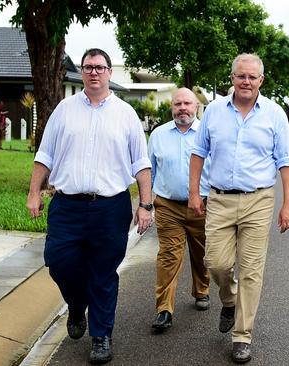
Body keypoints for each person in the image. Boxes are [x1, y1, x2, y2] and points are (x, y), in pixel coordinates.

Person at [26, 48, 153, 365]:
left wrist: (146, 205)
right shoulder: (64, 110)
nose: (93, 72)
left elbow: (141, 163)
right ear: (81, 73)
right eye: (88, 67)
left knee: (103, 273)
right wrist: (33, 192)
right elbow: (45, 156)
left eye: (99, 67)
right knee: (58, 261)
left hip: (110, 208)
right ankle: (76, 303)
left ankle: (101, 336)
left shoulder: (125, 114)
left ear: (110, 72)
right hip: (67, 206)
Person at [189, 53, 289, 364]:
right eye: (241, 76)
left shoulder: (275, 114)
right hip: (220, 198)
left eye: (252, 77)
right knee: (216, 263)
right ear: (232, 78)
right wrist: (194, 191)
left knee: (251, 271)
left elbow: (286, 160)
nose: (246, 81)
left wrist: (288, 203)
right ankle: (228, 299)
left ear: (261, 80)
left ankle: (242, 335)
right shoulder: (213, 111)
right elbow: (198, 152)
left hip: (258, 200)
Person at [147, 87, 211, 332]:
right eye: (177, 104)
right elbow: (149, 171)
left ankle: (202, 289)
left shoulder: (207, 134)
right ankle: (164, 309)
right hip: (168, 207)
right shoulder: (159, 134)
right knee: (169, 256)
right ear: (172, 107)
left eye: (187, 103)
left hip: (203, 207)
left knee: (203, 254)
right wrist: (144, 205)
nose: (182, 108)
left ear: (196, 107)